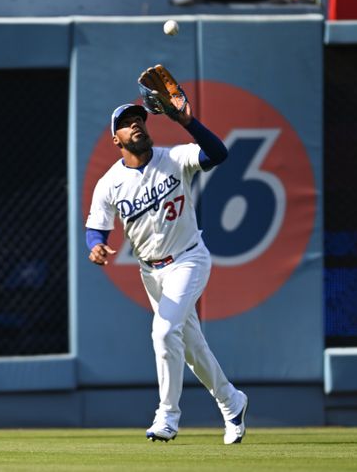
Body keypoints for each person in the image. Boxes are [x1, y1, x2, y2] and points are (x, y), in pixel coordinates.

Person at [84, 73, 248, 444]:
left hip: (188, 259)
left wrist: (187, 122)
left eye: (139, 119)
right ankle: (231, 401)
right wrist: (94, 246)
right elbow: (97, 228)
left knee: (163, 331)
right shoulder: (109, 183)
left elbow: (218, 154)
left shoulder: (173, 157)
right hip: (151, 273)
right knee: (191, 348)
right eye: (126, 124)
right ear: (116, 140)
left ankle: (167, 416)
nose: (135, 125)